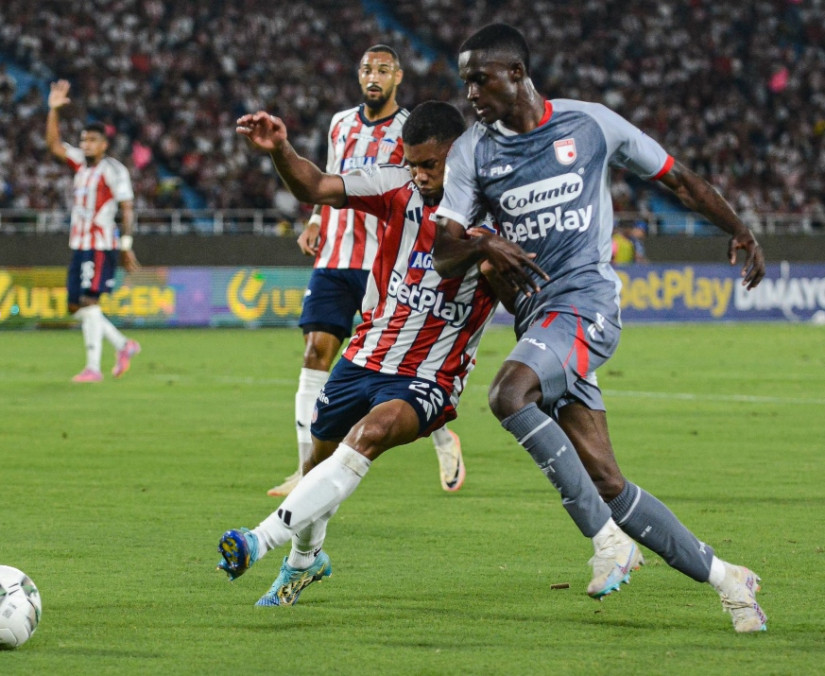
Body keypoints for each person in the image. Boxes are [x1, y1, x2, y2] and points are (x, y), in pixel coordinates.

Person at [432, 24, 767, 632]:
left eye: (480, 79)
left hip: (586, 305)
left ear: (517, 74)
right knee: (609, 481)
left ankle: (606, 542)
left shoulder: (591, 125)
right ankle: (729, 580)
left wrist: (737, 226)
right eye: (465, 82)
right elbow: (442, 249)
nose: (471, 93)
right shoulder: (472, 153)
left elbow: (678, 179)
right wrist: (482, 240)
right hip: (539, 323)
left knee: (508, 394)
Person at [218, 101, 494, 605]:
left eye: (429, 164)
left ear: (459, 153)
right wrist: (280, 148)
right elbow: (315, 186)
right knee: (316, 467)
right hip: (367, 354)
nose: (419, 175)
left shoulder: (496, 211)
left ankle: (258, 541)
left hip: (429, 374)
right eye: (412, 163)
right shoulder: (395, 185)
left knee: (371, 434)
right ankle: (305, 562)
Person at [269, 45, 466, 497]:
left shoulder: (413, 130)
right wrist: (317, 219)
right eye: (365, 69)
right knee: (315, 352)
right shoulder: (340, 122)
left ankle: (440, 434)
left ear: (398, 76)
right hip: (336, 255)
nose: (372, 77)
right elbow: (330, 176)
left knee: (395, 364)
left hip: (386, 263)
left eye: (382, 69)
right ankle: (305, 470)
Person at [45, 80, 142, 383]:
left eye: (91, 141)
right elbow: (53, 145)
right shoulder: (79, 166)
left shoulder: (114, 171)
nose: (85, 144)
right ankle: (123, 345)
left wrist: (125, 245)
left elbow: (127, 208)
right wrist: (53, 111)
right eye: (83, 140)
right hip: (79, 244)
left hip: (100, 245)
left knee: (90, 303)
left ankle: (93, 368)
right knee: (75, 305)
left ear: (104, 145)